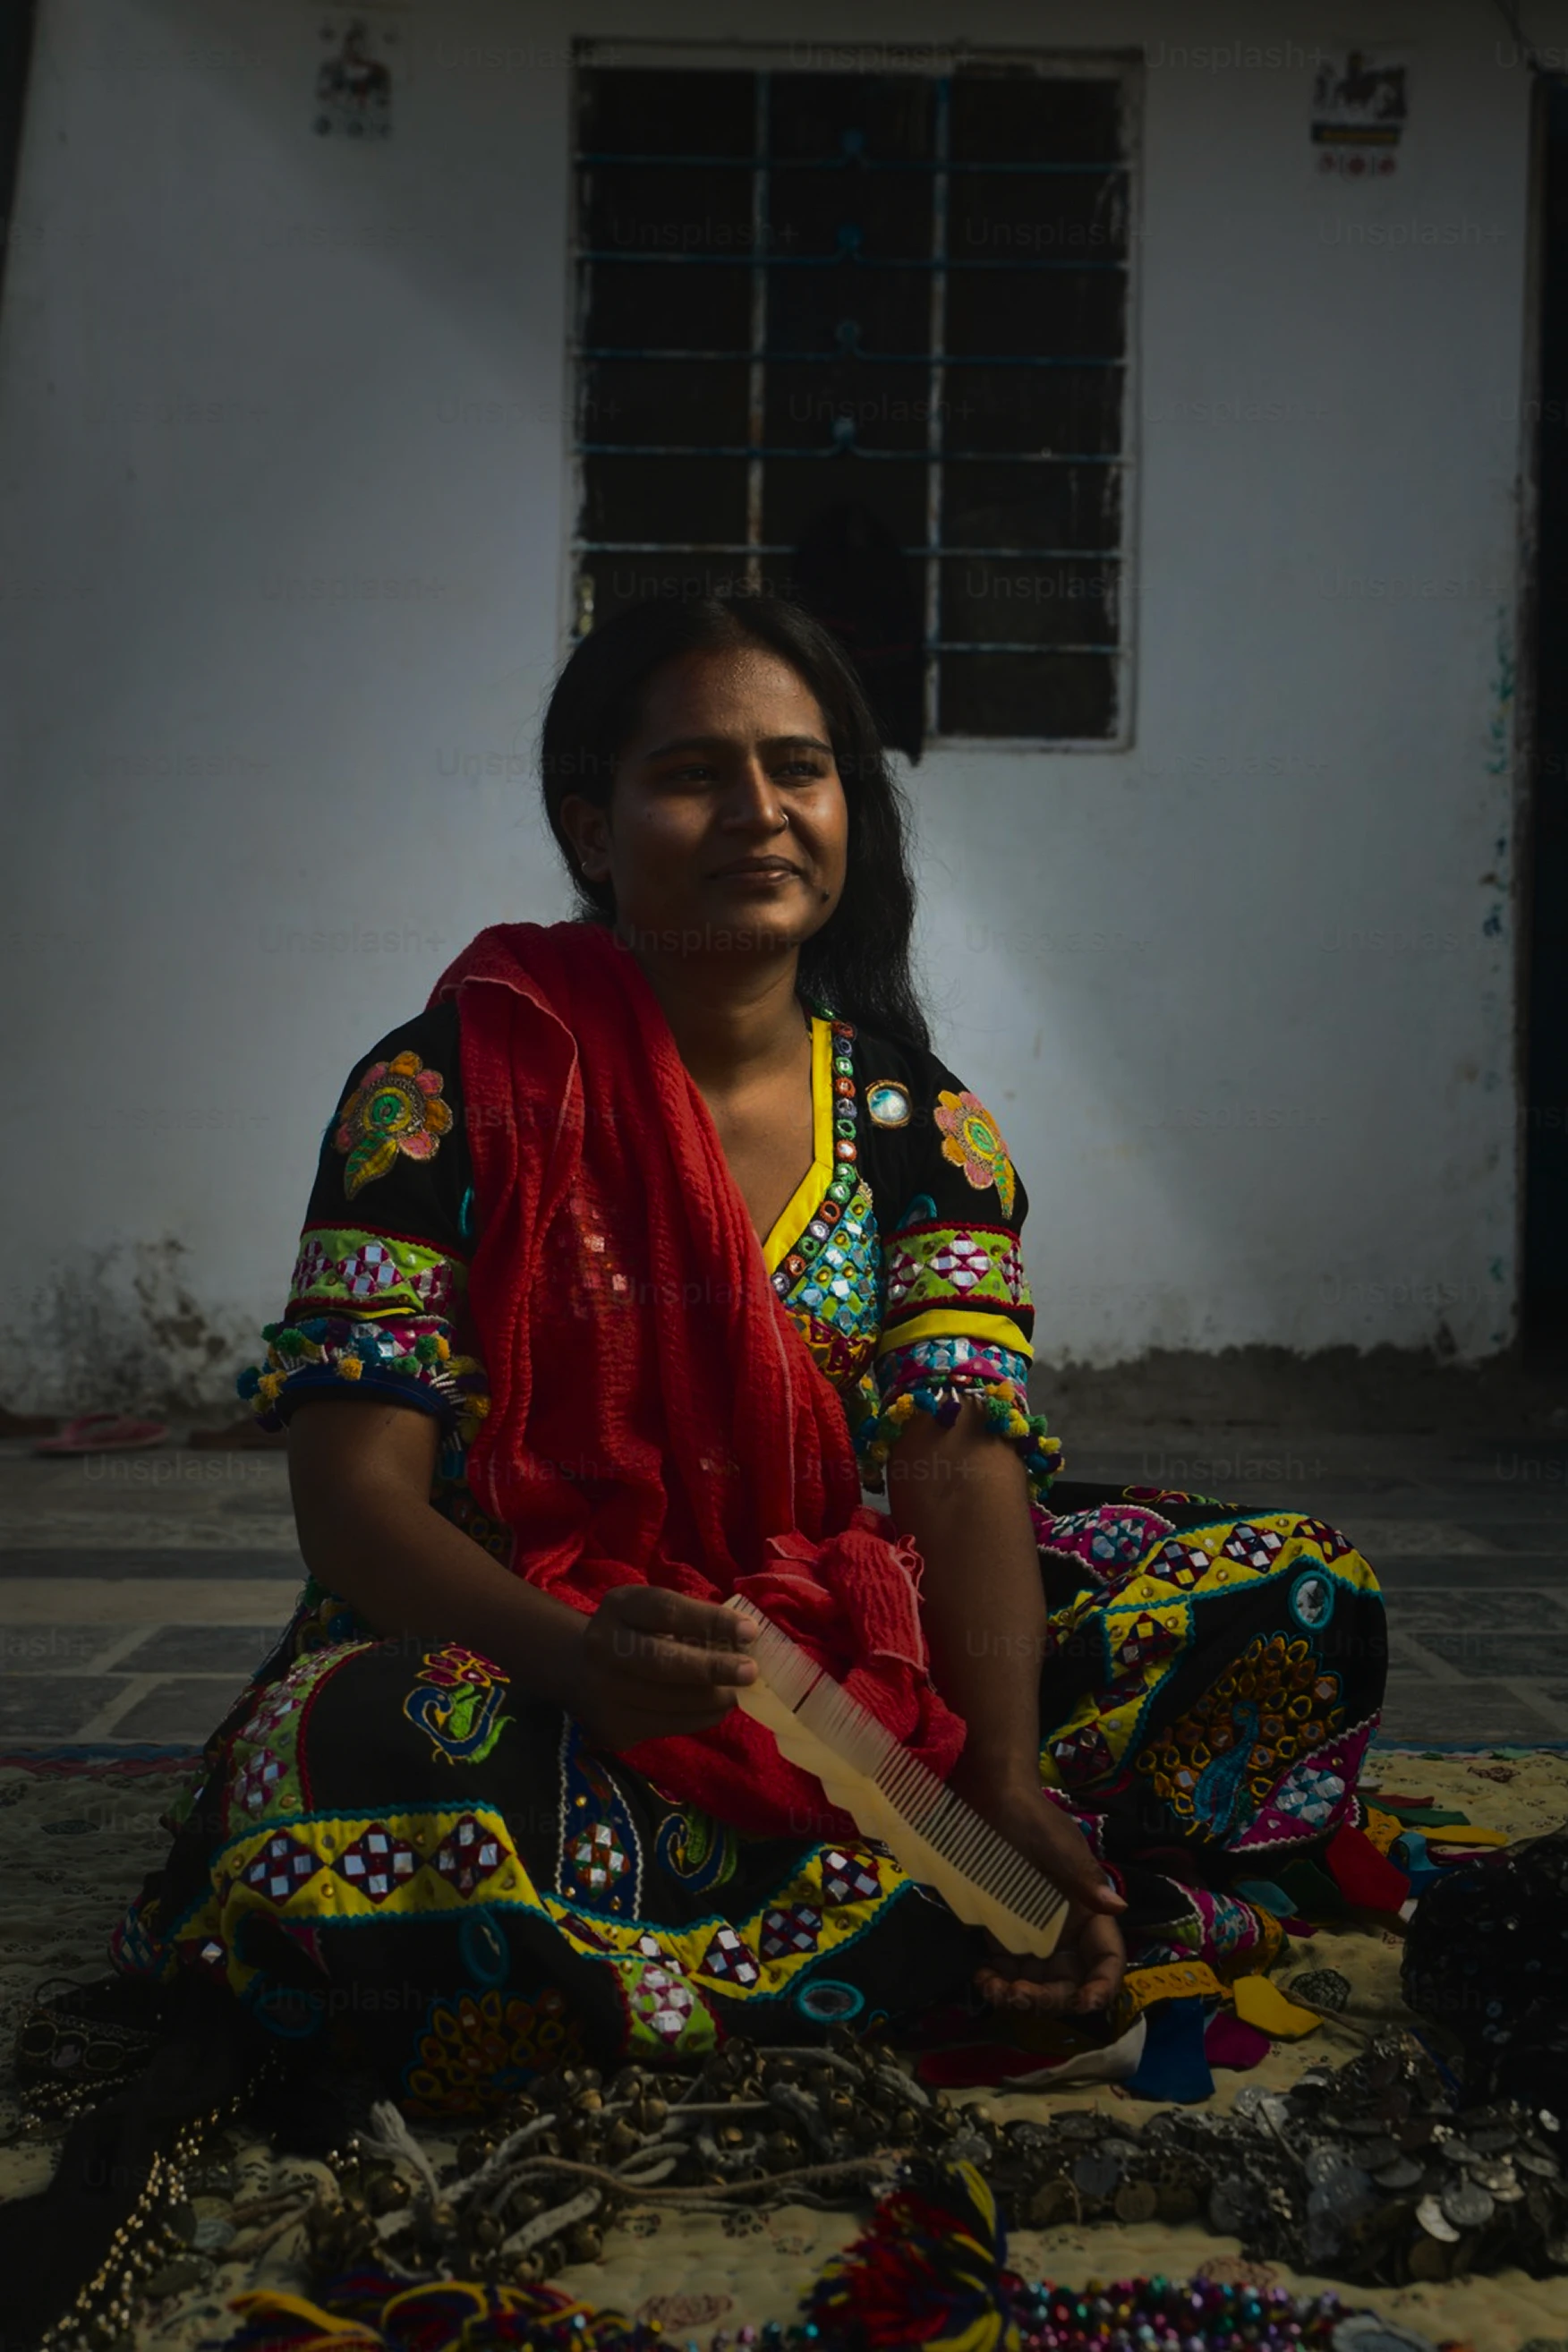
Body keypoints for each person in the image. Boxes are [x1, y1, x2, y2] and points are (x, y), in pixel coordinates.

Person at [111, 598, 1386, 2111]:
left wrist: (991, 1776)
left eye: (802, 767)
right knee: (357, 1767)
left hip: (841, 1648)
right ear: (593, 830)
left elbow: (960, 1464)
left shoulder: (924, 1126)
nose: (762, 811)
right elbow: (356, 1504)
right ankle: (943, 1935)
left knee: (1293, 1589)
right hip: (529, 1648)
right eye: (696, 774)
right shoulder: (449, 1085)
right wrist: (584, 1658)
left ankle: (779, 1930)